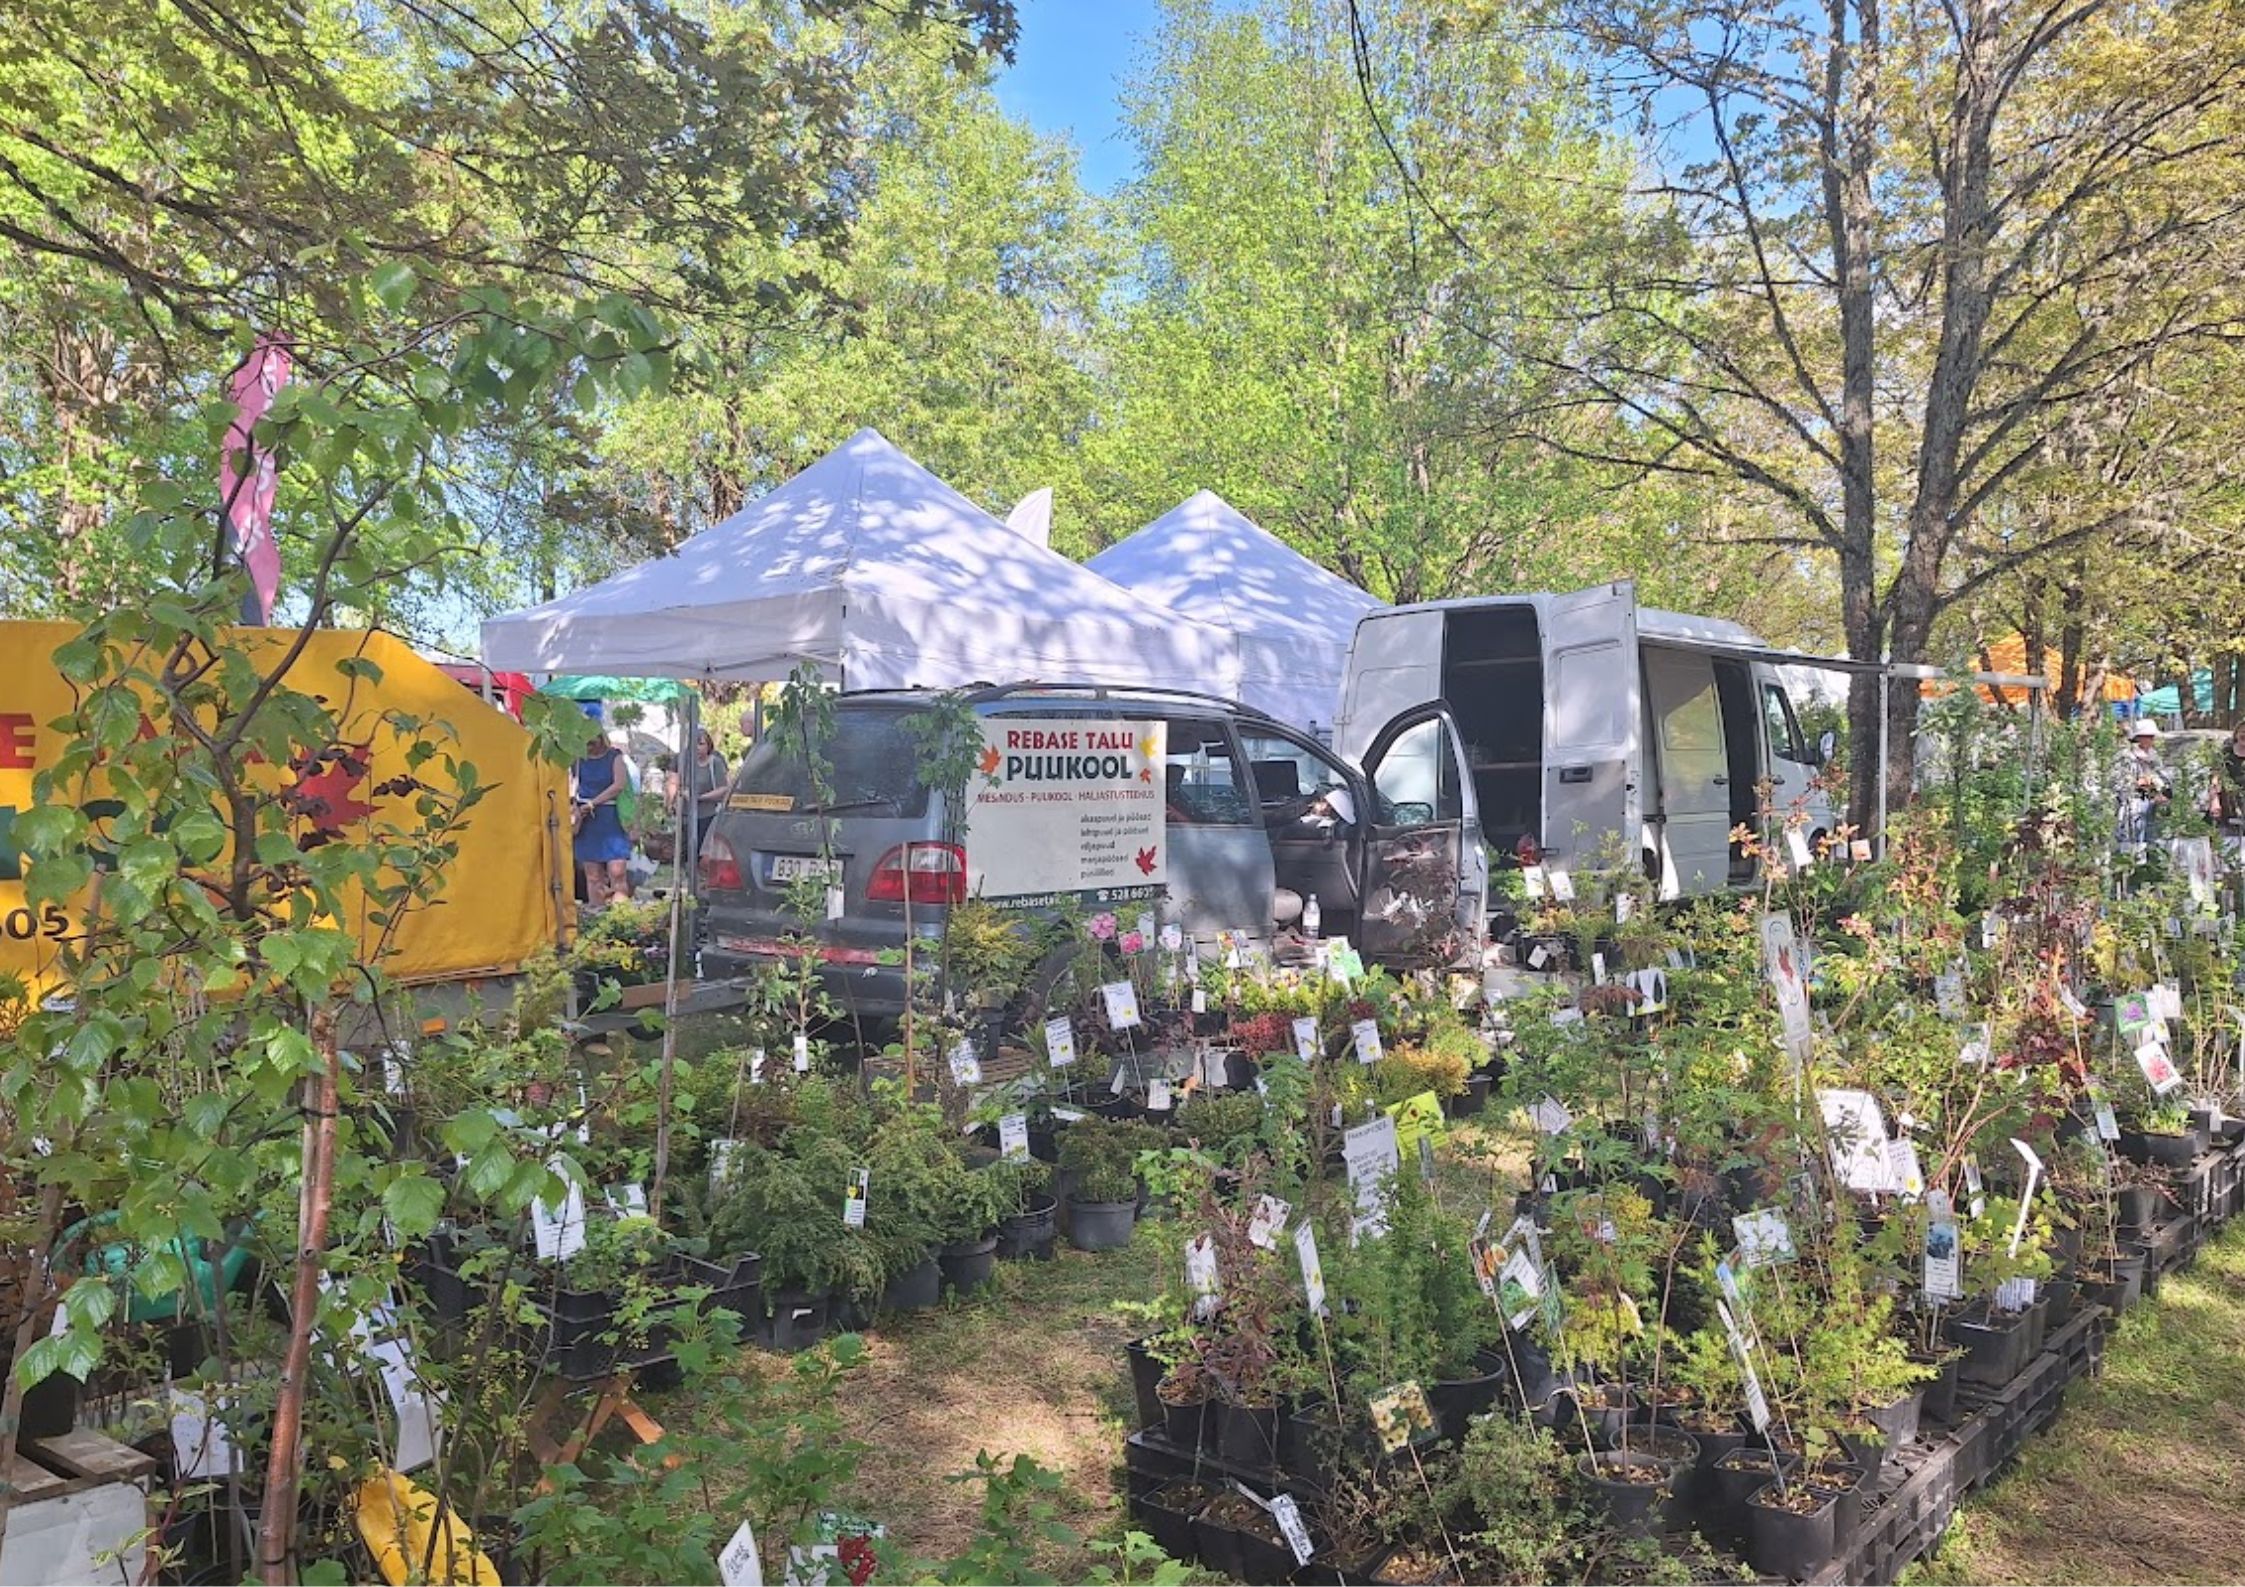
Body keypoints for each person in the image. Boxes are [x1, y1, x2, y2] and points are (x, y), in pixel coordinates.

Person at [574, 715, 633, 905]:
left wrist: (594, 803)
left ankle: (620, 916)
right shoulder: (577, 760)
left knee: (617, 872)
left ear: (601, 738)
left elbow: (618, 785)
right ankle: (596, 915)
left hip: (610, 817)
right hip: (586, 819)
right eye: (586, 743)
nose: (590, 747)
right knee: (592, 876)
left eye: (593, 742)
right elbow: (571, 785)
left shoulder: (614, 757)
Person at [2117, 717, 2172, 850]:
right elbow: (2121, 781)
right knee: (2135, 836)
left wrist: (2160, 791)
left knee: (2152, 835)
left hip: (2153, 802)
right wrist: (2137, 783)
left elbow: (2163, 777)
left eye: (2152, 737)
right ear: (2139, 737)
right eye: (2147, 736)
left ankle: (2151, 862)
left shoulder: (2154, 756)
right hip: (2134, 802)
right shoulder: (2127, 756)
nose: (2150, 740)